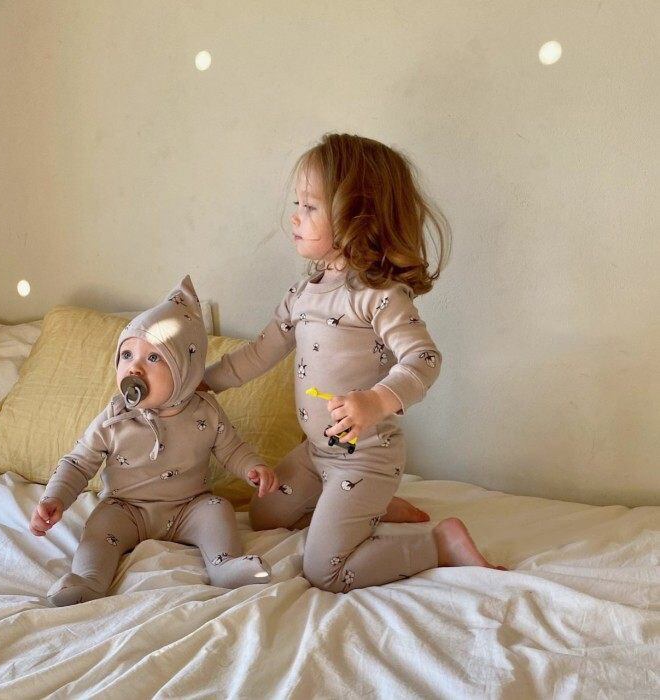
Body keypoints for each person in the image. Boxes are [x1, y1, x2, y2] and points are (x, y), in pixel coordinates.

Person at [200, 133, 503, 593]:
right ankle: (371, 512)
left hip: (365, 458)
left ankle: (437, 544)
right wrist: (205, 382)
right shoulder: (302, 295)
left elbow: (424, 359)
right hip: (315, 453)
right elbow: (259, 353)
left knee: (325, 571)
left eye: (310, 206)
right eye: (298, 204)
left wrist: (377, 400)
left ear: (358, 218)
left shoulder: (379, 296)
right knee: (263, 514)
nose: (294, 216)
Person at [30, 275, 278, 606]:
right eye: (127, 354)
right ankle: (89, 580)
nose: (134, 368)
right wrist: (55, 497)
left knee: (218, 509)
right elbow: (78, 462)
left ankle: (224, 566)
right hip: (126, 507)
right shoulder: (115, 416)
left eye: (153, 358)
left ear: (185, 370)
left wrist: (252, 467)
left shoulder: (205, 411)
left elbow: (231, 448)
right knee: (100, 525)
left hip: (189, 506)